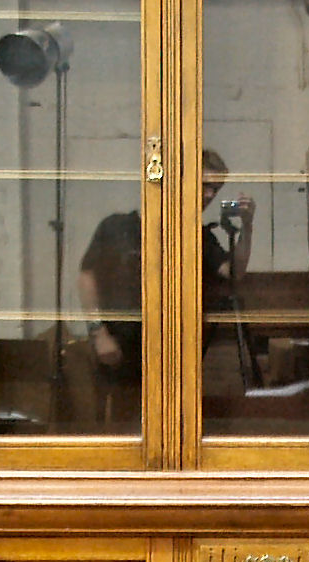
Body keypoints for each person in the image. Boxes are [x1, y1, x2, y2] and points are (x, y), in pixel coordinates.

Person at [77, 147, 254, 426]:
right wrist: (97, 332)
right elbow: (87, 276)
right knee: (125, 430)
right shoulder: (118, 227)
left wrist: (247, 227)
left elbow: (234, 272)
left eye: (216, 189)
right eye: (205, 185)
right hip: (122, 350)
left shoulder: (199, 236)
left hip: (177, 354)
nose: (209, 195)